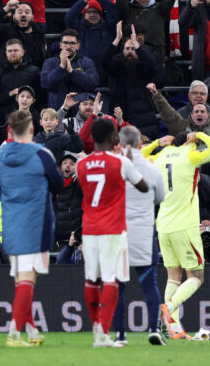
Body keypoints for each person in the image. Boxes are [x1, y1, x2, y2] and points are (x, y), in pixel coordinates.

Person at [76, 118, 148, 348]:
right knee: (111, 279)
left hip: (89, 229)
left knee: (92, 279)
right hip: (113, 229)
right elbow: (143, 186)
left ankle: (96, 327)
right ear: (112, 138)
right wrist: (129, 164)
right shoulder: (120, 162)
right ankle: (104, 334)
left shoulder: (81, 164)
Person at [0, 110, 63, 347]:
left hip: (10, 224)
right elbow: (58, 183)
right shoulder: (41, 154)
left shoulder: (1, 156)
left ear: (10, 131)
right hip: (35, 223)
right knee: (27, 280)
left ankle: (31, 331)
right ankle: (14, 334)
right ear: (32, 129)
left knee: (21, 280)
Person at [151, 131, 210, 339]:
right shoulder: (190, 155)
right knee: (197, 276)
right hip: (184, 226)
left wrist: (156, 142)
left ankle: (173, 328)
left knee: (173, 277)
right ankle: (168, 308)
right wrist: (199, 134)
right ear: (189, 141)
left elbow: (139, 155)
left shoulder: (161, 156)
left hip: (163, 225)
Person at [110, 126, 166, 346]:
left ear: (119, 144)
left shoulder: (114, 167)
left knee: (118, 286)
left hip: (118, 233)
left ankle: (120, 335)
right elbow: (160, 198)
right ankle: (154, 329)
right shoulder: (152, 169)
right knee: (150, 284)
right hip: (144, 234)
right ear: (141, 144)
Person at [104, 22, 165, 138]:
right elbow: (104, 62)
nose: (130, 51)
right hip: (120, 113)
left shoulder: (147, 59)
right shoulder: (117, 61)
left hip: (144, 115)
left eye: (133, 48)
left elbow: (154, 70)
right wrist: (117, 39)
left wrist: (139, 48)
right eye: (127, 48)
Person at [40, 29, 99, 110]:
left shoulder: (87, 62)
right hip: (57, 109)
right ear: (60, 45)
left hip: (80, 110)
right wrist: (61, 67)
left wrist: (72, 72)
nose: (68, 46)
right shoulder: (49, 62)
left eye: (72, 43)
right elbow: (45, 84)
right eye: (65, 43)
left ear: (78, 46)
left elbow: (93, 83)